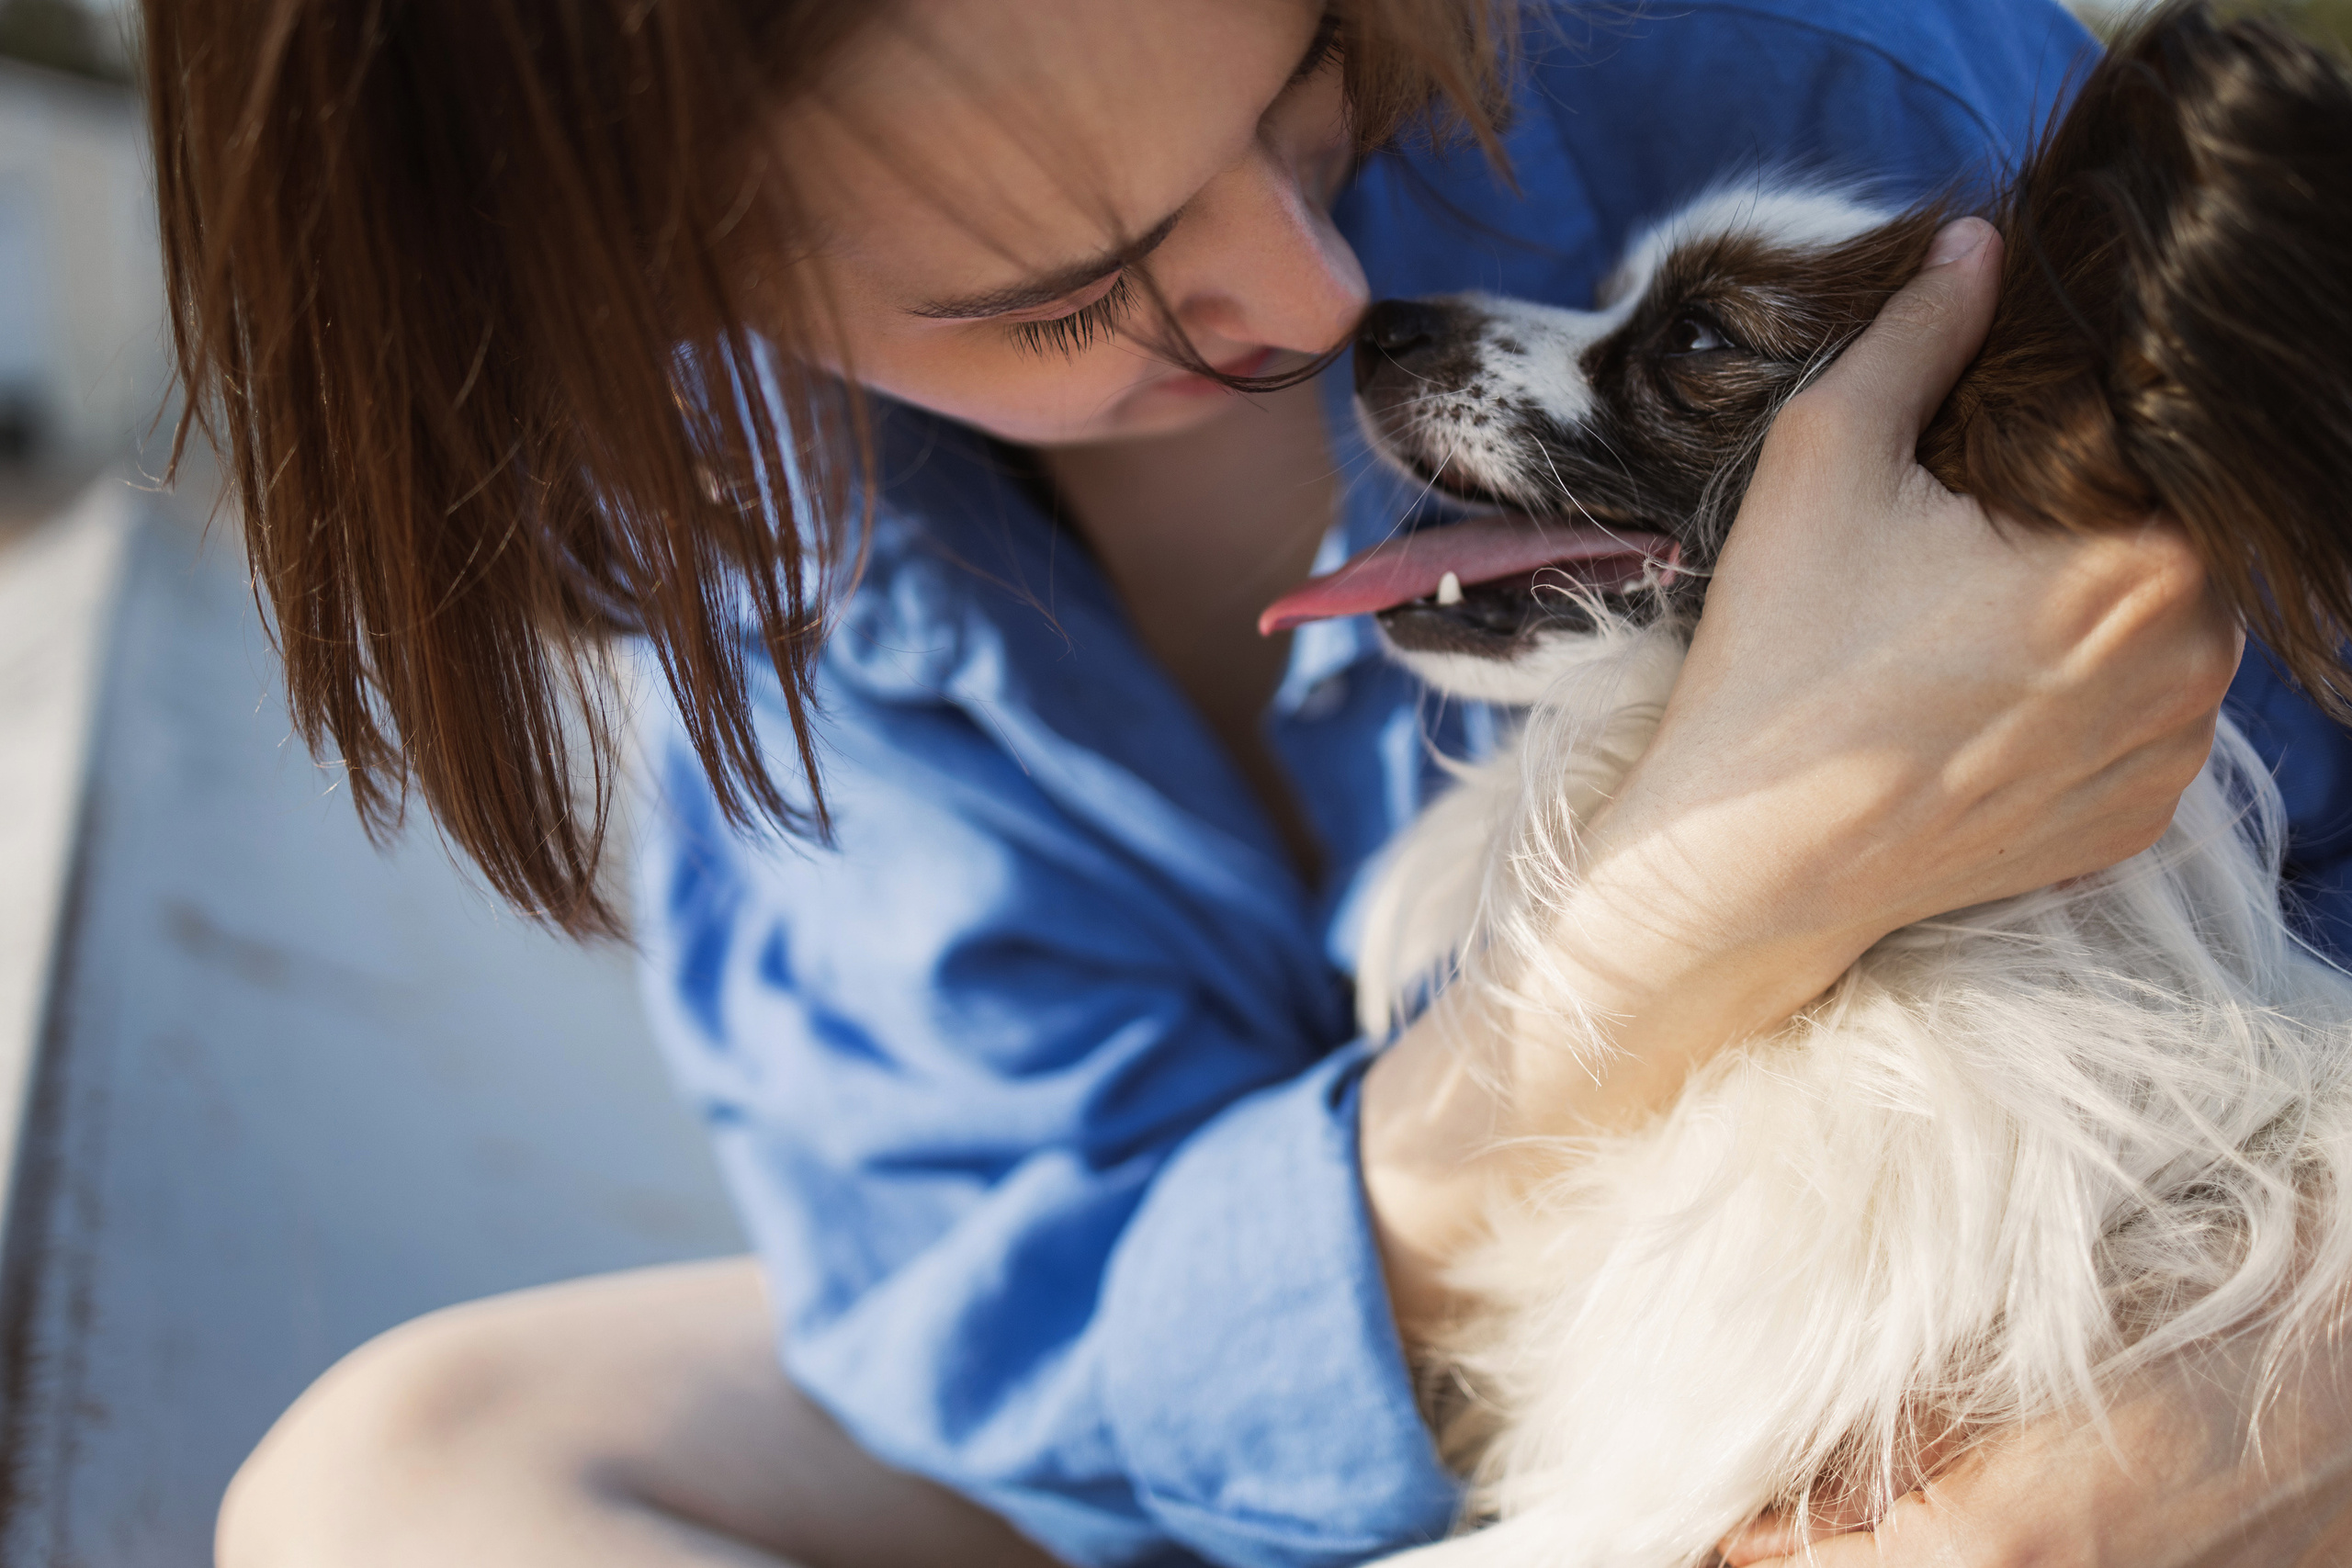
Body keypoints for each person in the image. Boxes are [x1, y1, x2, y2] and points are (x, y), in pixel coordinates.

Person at [141, 0, 2352, 1563]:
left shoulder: (1828, 89)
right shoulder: (745, 506)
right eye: (1066, 285)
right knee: (391, 1477)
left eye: (1306, 69)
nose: (1310, 292)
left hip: (2036, 1301)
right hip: (1420, 1347)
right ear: (647, 282)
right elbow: (1016, 1316)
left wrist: (2195, 1454)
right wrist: (1678, 926)